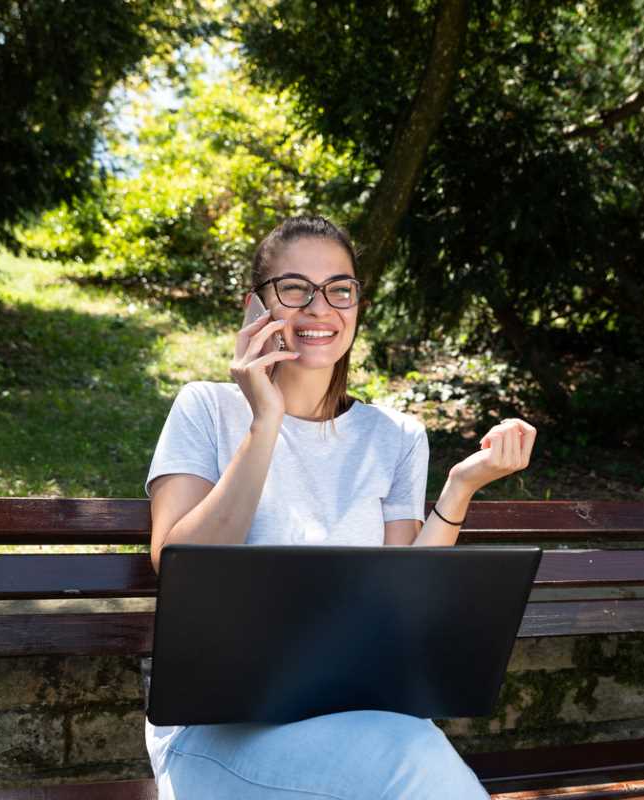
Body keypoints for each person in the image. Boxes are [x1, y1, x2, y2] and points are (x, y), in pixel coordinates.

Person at [142, 214, 537, 799]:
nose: (319, 307)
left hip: (355, 718)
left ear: (357, 304)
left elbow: (401, 606)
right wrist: (265, 422)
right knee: (411, 761)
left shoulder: (397, 436)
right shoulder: (205, 408)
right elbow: (179, 561)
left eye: (339, 289)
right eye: (295, 288)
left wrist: (459, 488)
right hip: (216, 735)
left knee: (410, 751)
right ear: (258, 306)